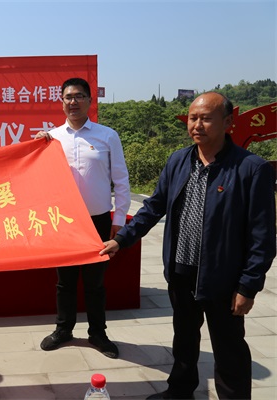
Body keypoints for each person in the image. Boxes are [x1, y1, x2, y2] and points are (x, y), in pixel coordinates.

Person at [100, 92, 276, 399]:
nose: (197, 125)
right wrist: (122, 238)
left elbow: (263, 236)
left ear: (228, 122)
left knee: (229, 348)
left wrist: (248, 286)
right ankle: (179, 391)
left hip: (223, 278)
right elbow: (154, 206)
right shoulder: (179, 160)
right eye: (193, 118)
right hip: (181, 272)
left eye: (206, 118)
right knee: (183, 338)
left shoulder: (251, 168)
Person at [35, 77, 131, 358]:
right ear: (61, 102)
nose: (73, 102)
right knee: (64, 282)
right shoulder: (51, 138)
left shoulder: (107, 136)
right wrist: (37, 147)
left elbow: (121, 181)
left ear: (90, 100)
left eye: (78, 96)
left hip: (98, 221)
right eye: (68, 97)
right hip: (64, 222)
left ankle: (98, 334)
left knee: (95, 283)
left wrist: (119, 220)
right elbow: (39, 178)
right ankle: (63, 330)